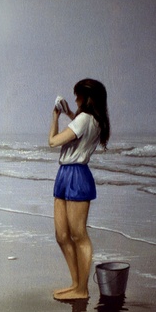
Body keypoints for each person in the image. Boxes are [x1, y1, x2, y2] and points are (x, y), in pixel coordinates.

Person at [48, 78, 110, 300]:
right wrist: (68, 113)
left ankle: (81, 289)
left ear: (86, 97)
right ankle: (76, 284)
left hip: (76, 175)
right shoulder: (91, 119)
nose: (75, 99)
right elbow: (78, 125)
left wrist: (55, 116)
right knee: (62, 234)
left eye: (78, 95)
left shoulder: (85, 119)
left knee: (78, 234)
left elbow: (53, 141)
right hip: (66, 174)